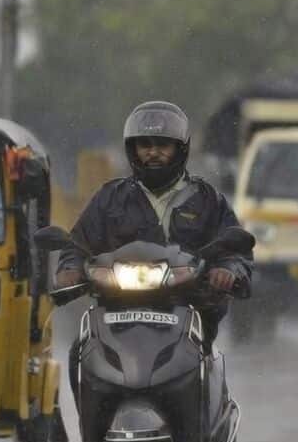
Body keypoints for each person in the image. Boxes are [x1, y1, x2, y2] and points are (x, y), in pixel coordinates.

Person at [53, 101, 252, 344]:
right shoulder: (109, 198)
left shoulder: (208, 199)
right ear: (132, 149)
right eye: (145, 145)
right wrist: (70, 268)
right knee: (81, 352)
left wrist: (228, 270)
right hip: (115, 319)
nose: (153, 152)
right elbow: (78, 244)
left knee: (212, 374)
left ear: (180, 148)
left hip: (189, 321)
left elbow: (235, 250)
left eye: (163, 145)